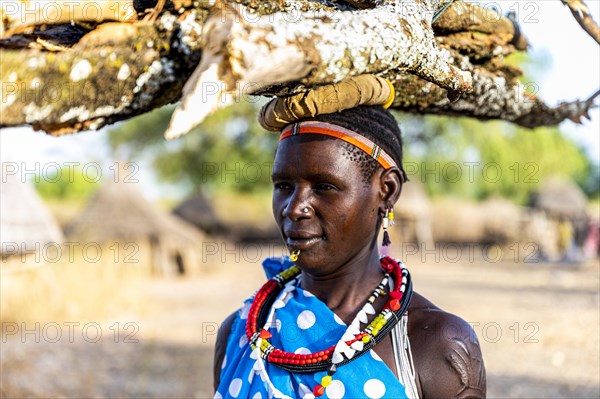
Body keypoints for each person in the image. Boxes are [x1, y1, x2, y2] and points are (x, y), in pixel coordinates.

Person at [213, 77, 486, 399]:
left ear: (387, 191)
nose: (294, 208)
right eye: (283, 186)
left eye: (324, 187)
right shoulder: (241, 332)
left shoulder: (434, 343)